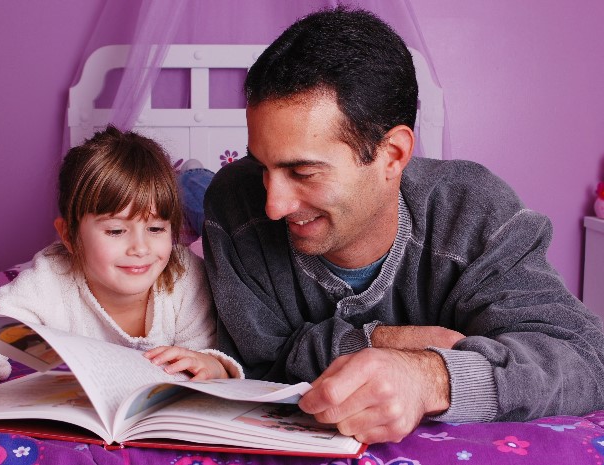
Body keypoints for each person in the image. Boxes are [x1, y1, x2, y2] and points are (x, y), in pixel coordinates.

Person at [202, 6, 604, 444]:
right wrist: (385, 339)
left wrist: (429, 376)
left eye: (302, 172)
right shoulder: (235, 205)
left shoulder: (475, 213)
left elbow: (585, 358)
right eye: (262, 165)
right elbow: (253, 368)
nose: (274, 205)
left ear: (392, 154)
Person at [0, 125, 242, 398]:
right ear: (70, 236)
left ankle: (194, 177)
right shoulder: (52, 278)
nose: (140, 247)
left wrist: (211, 364)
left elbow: (210, 352)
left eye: (156, 229)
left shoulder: (185, 276)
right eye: (115, 230)